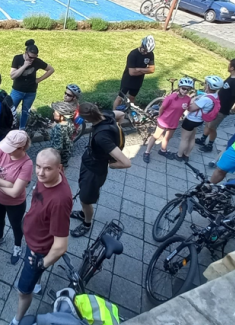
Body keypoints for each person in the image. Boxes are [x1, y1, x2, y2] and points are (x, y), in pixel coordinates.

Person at [0, 148, 71, 325]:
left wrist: (41, 263)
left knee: (23, 290)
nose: (40, 173)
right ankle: (37, 282)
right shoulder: (47, 179)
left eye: (47, 169)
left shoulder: (59, 201)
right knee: (33, 280)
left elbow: (61, 246)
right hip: (34, 237)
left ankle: (17, 321)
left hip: (37, 249)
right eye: (38, 167)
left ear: (60, 168)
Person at [70, 103, 131, 238]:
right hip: (89, 162)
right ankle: (83, 213)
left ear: (86, 119)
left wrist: (112, 165)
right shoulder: (107, 115)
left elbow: (126, 162)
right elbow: (121, 114)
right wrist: (117, 129)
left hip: (95, 170)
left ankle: (87, 223)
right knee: (83, 191)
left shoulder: (102, 138)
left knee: (86, 200)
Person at [0, 130, 33, 264]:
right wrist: (6, 183)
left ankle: (17, 246)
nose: (7, 151)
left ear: (21, 148)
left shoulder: (27, 164)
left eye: (11, 149)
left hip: (16, 204)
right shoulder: (2, 151)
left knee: (16, 225)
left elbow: (15, 193)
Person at [197, 59, 235, 153]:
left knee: (212, 127)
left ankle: (210, 145)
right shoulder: (232, 77)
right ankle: (203, 139)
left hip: (222, 109)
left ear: (232, 68)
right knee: (208, 123)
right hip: (216, 106)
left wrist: (233, 110)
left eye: (229, 65)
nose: (228, 66)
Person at [174, 75, 224, 162]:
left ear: (208, 86)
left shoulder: (205, 99)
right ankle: (187, 155)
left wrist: (193, 99)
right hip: (199, 120)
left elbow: (190, 108)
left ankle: (179, 155)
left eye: (206, 83)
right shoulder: (215, 95)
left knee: (184, 139)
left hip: (191, 120)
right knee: (192, 138)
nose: (205, 85)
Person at [143, 78, 193, 162]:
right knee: (156, 136)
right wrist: (160, 116)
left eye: (187, 90)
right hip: (164, 120)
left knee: (167, 138)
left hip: (174, 122)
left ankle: (163, 150)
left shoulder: (187, 99)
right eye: (183, 88)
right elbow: (162, 107)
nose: (185, 91)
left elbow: (185, 109)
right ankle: (147, 152)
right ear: (179, 87)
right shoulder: (172, 97)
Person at [9, 39, 54, 129]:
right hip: (17, 91)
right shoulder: (17, 59)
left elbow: (51, 69)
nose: (32, 60)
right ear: (26, 53)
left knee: (25, 112)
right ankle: (8, 128)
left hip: (30, 92)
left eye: (34, 57)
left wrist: (39, 79)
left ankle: (22, 129)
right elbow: (12, 76)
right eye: (30, 57)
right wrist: (25, 65)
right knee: (10, 111)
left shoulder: (37, 61)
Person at [113, 35, 156, 109]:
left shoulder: (150, 54)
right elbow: (132, 72)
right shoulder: (133, 54)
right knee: (120, 98)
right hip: (127, 80)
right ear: (142, 45)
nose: (146, 53)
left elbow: (152, 69)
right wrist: (145, 70)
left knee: (132, 97)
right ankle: (114, 113)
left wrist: (139, 69)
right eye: (145, 50)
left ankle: (130, 112)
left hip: (138, 81)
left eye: (147, 51)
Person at [49, 84, 81, 167]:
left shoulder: (59, 127)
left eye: (69, 95)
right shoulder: (67, 121)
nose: (65, 96)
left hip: (59, 161)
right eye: (65, 93)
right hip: (67, 152)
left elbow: (57, 149)